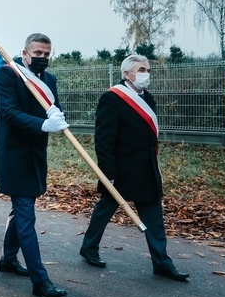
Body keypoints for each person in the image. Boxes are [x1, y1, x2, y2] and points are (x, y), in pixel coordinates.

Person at [79, 54, 189, 281]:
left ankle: (162, 263)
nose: (145, 75)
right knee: (103, 212)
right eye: (141, 70)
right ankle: (89, 248)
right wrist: (107, 173)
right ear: (127, 74)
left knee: (154, 219)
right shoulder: (113, 98)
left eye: (147, 70)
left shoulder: (147, 98)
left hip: (146, 170)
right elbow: (104, 140)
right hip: (120, 171)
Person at [0, 33, 69, 297]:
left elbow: (54, 108)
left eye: (47, 54)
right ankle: (41, 280)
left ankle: (8, 259)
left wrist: (57, 117)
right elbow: (8, 112)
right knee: (26, 215)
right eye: (38, 54)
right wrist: (41, 124)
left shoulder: (49, 80)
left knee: (21, 209)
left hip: (37, 155)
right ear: (25, 53)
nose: (43, 59)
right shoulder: (8, 75)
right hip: (13, 155)